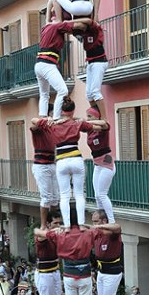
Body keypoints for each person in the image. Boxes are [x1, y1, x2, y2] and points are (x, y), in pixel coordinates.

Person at [48, 97, 106, 228]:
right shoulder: (77, 123)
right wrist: (105, 123)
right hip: (76, 158)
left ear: (60, 110)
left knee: (64, 195)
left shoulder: (53, 125)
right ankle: (80, 223)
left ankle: (67, 225)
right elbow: (98, 126)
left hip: (61, 161)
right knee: (79, 194)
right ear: (73, 111)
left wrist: (52, 119)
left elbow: (37, 123)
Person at [34, 19, 91, 119]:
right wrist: (90, 25)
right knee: (63, 91)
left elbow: (48, 16)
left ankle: (42, 116)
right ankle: (56, 118)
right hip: (48, 64)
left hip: (39, 64)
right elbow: (79, 25)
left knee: (44, 94)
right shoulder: (58, 26)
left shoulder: (46, 27)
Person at [92, 210, 123, 295]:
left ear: (103, 221)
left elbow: (118, 227)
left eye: (96, 221)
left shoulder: (111, 233)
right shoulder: (97, 234)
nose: (94, 224)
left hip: (112, 272)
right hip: (101, 271)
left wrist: (99, 226)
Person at [34, 211, 63, 295]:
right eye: (55, 223)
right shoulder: (43, 234)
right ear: (48, 224)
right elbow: (39, 234)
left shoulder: (56, 235)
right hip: (45, 273)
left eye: (59, 223)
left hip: (55, 271)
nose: (58, 225)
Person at [29, 116, 59, 229]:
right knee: (46, 197)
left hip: (52, 164)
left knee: (55, 197)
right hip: (41, 166)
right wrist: (45, 120)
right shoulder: (39, 129)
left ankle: (53, 221)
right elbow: (33, 123)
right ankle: (43, 225)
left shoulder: (52, 129)